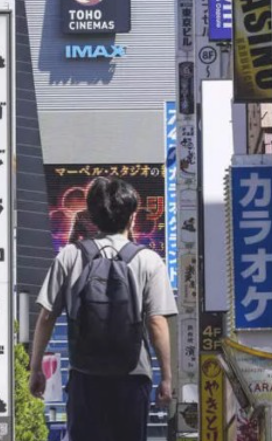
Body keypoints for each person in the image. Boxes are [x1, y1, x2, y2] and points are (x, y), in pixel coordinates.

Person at [28, 177, 177, 441]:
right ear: (132, 217)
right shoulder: (149, 260)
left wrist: (36, 367)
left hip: (86, 378)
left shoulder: (70, 256)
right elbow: (157, 324)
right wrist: (166, 377)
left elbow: (47, 316)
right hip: (133, 378)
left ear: (92, 217)